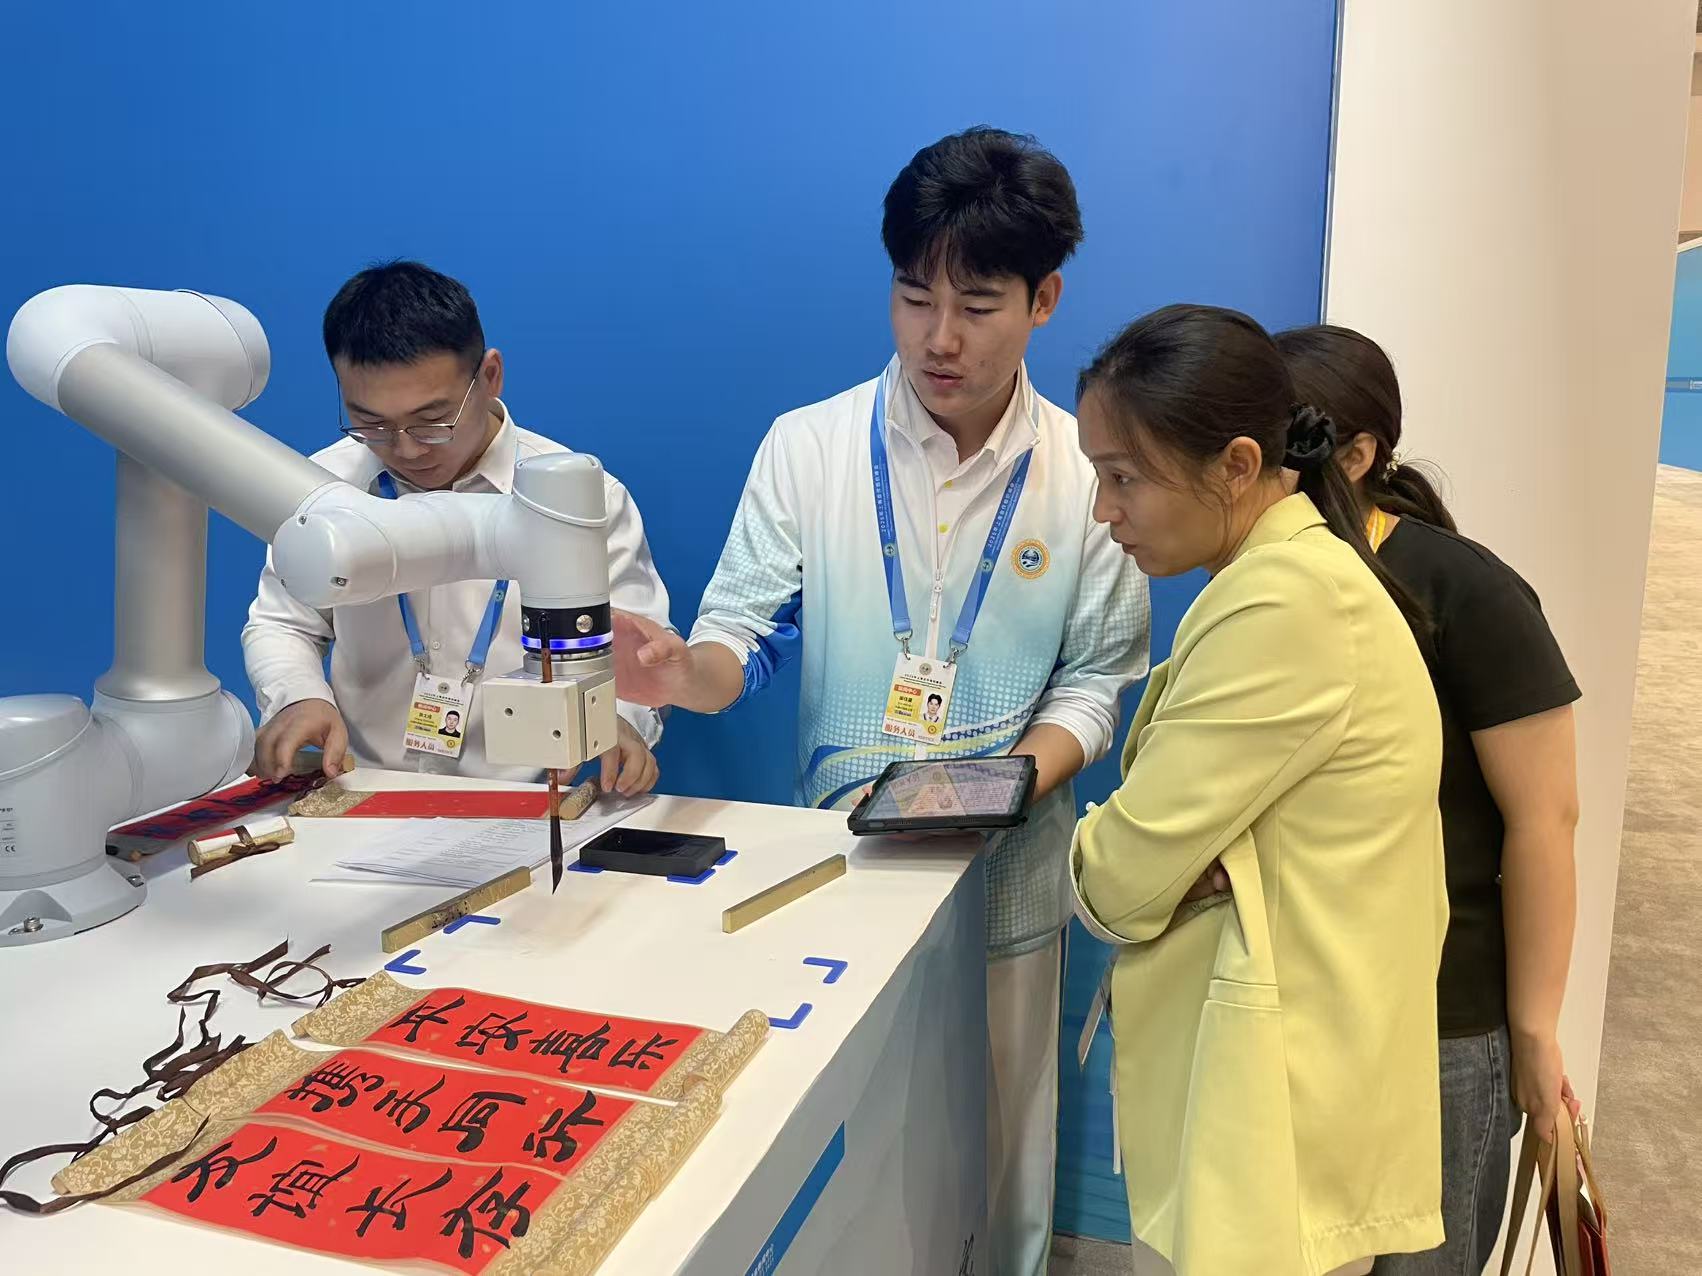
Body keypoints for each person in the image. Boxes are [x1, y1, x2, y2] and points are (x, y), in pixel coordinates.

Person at [611, 128, 1150, 1275]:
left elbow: (1098, 678)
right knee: (856, 1157)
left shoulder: (1083, 470)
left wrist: (1008, 784)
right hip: (843, 875)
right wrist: (679, 674)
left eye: (978, 305)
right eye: (913, 298)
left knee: (1006, 1152)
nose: (938, 337)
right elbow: (742, 640)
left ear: (1044, 300)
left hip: (1011, 877)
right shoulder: (809, 448)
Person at [1069, 304, 1448, 1276]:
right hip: (1273, 1097)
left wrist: (1124, 858)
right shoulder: (1283, 576)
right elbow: (1158, 859)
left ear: (1239, 465)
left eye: (1123, 477)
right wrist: (1181, 863)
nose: (1104, 511)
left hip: (1275, 1120)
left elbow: (1118, 879)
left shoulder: (1286, 601)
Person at [1276, 324, 1581, 1275]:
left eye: (1280, 442)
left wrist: (1533, 1031)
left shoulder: (1463, 590)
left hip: (1442, 1019)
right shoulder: (1268, 585)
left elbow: (1545, 820)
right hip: (1305, 1002)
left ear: (1357, 455)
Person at [244, 261, 670, 795]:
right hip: (363, 789)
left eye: (432, 421)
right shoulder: (322, 490)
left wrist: (620, 721)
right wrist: (299, 696)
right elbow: (283, 624)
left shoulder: (583, 500)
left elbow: (643, 648)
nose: (406, 448)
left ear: (490, 377)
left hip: (527, 796)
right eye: (371, 423)